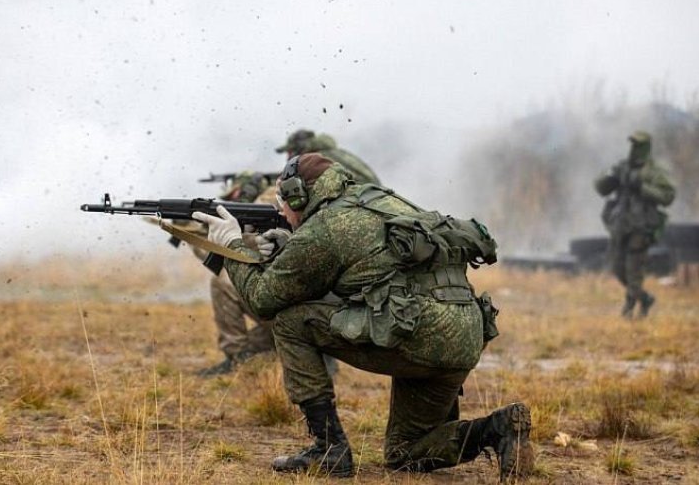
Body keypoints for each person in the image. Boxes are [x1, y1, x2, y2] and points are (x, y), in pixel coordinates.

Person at [193, 153, 532, 480]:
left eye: (285, 201)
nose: (283, 210)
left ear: (299, 196)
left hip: (415, 333)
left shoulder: (326, 227)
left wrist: (232, 247)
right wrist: (289, 246)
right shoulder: (382, 200)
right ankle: (496, 429)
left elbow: (263, 299)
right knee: (406, 452)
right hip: (463, 337)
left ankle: (329, 448)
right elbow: (365, 265)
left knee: (291, 321)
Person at [196, 171, 275, 376]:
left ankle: (236, 358)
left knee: (221, 283)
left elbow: (239, 252)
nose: (233, 201)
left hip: (292, 307)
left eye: (236, 195)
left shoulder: (270, 200)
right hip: (300, 307)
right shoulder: (281, 198)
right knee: (257, 341)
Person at [595, 131, 676, 318]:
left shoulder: (654, 171)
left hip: (641, 227)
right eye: (632, 144)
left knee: (634, 270)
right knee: (617, 268)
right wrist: (610, 178)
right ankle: (645, 298)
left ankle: (630, 306)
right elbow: (600, 187)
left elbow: (668, 196)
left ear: (646, 147)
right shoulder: (623, 167)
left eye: (638, 145)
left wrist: (642, 186)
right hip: (620, 225)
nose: (633, 149)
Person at [275, 129, 382, 185]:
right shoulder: (333, 154)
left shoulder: (318, 159)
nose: (288, 157)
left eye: (290, 152)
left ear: (299, 149)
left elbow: (291, 182)